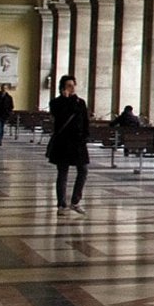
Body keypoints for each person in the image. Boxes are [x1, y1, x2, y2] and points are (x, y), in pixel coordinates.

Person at [46, 75, 90, 215]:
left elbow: (85, 121)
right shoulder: (56, 103)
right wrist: (66, 100)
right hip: (63, 143)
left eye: (73, 85)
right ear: (63, 87)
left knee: (83, 170)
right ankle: (61, 204)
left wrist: (85, 137)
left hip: (78, 143)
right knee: (63, 172)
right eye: (68, 85)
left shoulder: (80, 102)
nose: (72, 88)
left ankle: (75, 201)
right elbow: (60, 116)